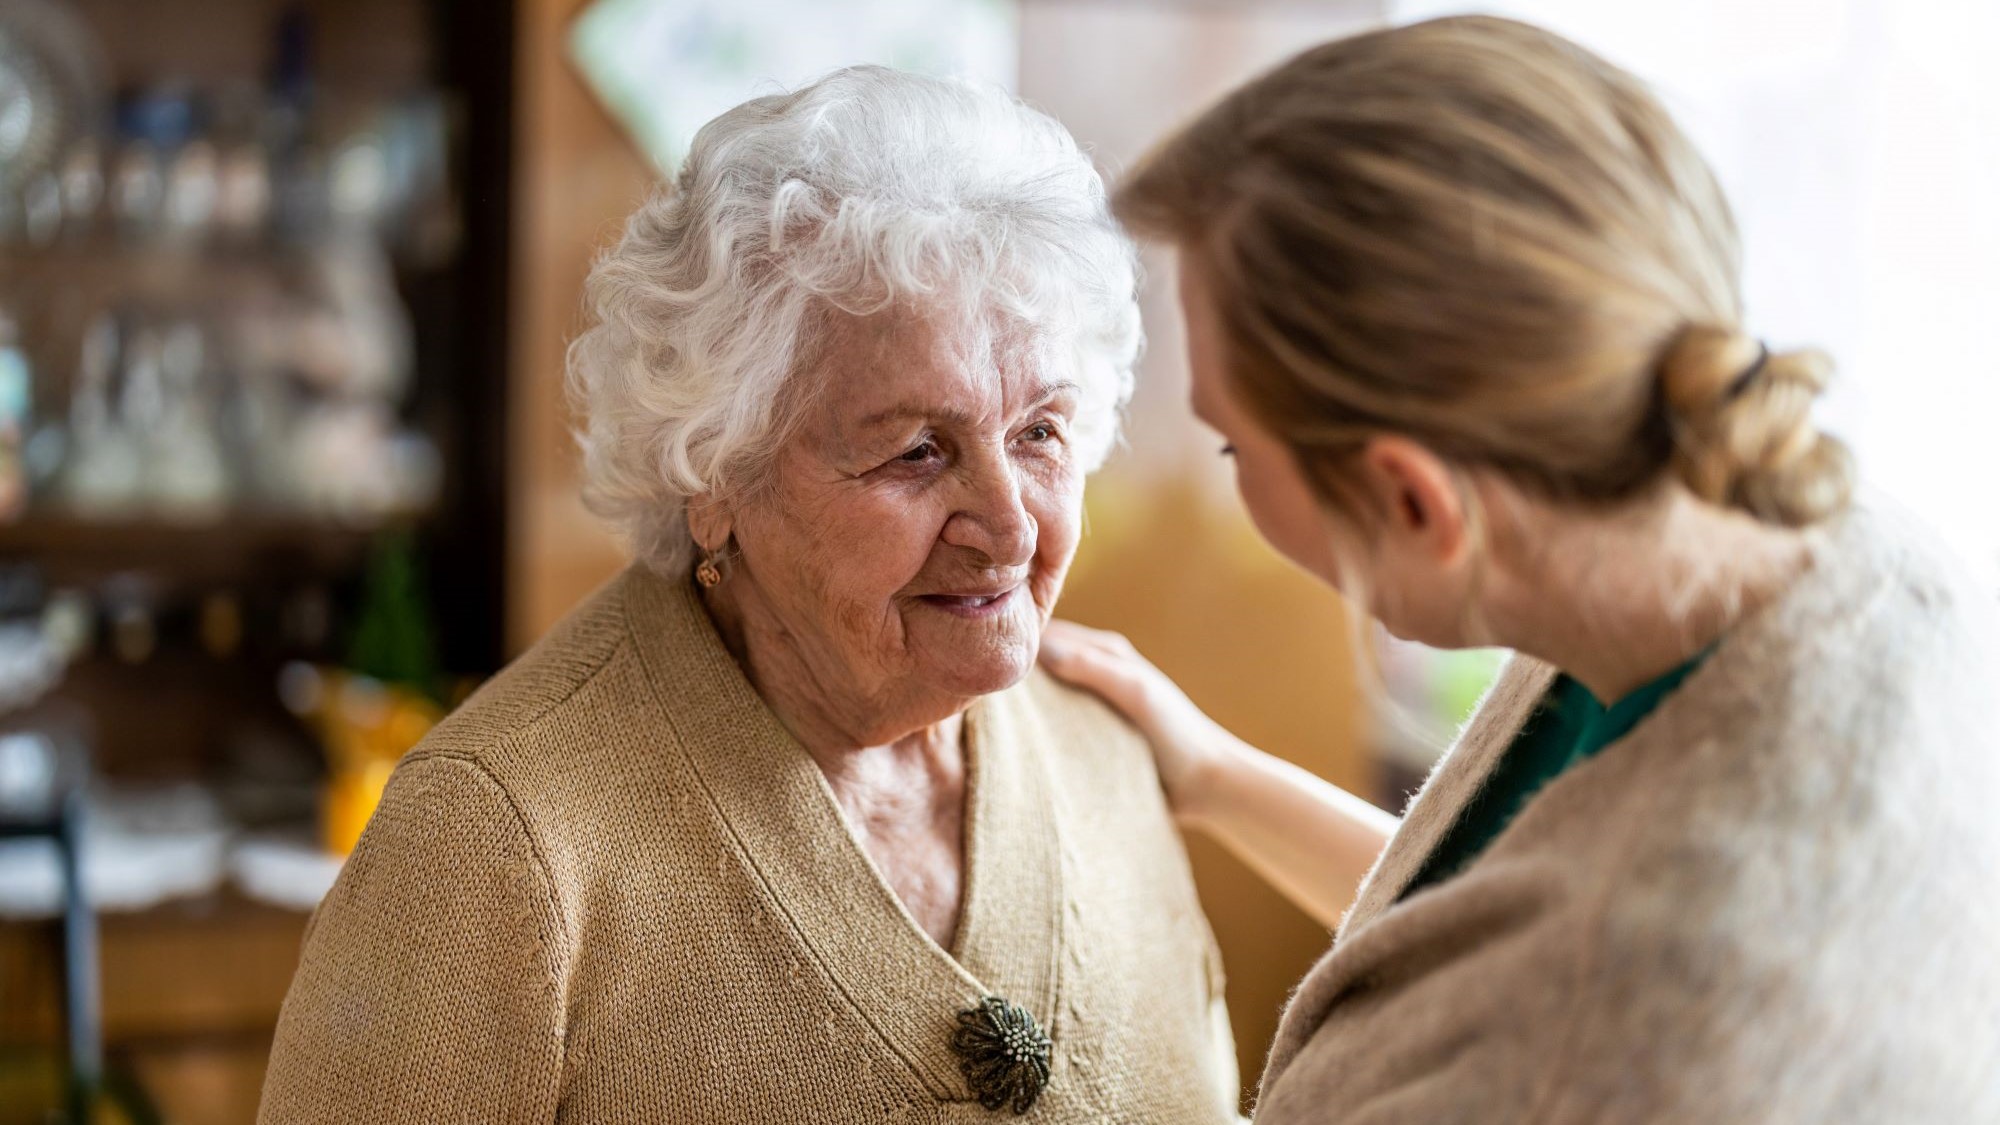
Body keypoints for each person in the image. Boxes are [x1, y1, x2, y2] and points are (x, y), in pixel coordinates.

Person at [1041, 16, 2000, 1122]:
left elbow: (1552, 995)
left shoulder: (1622, 1036)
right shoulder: (1814, 550)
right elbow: (1491, 928)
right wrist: (1214, 774)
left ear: (1413, 501)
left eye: (1230, 445)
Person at [258, 66, 1239, 1124]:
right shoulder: (491, 843)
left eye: (1038, 432)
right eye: (916, 451)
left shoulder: (1105, 749)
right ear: (714, 478)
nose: (1007, 526)